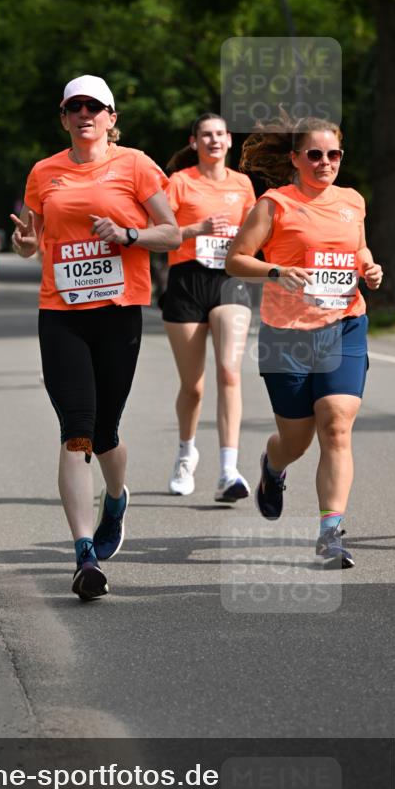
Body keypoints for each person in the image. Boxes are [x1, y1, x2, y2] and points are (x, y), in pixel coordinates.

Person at [11, 75, 180, 601]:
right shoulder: (44, 172)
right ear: (64, 117)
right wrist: (23, 243)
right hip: (61, 314)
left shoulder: (136, 165)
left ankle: (116, 497)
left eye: (94, 106)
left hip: (118, 313)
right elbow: (30, 241)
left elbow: (172, 233)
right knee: (76, 430)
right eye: (75, 107)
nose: (85, 114)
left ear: (111, 117)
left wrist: (128, 234)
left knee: (105, 432)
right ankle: (84, 554)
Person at [225, 116, 383, 567]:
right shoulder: (274, 205)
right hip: (287, 335)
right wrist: (276, 271)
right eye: (314, 154)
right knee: (295, 440)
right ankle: (273, 467)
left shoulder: (352, 201)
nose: (325, 162)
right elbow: (236, 260)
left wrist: (369, 267)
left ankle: (330, 533)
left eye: (333, 154)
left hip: (344, 324)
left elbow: (358, 248)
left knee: (336, 425)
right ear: (295, 158)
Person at [161, 114, 257, 502]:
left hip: (229, 281)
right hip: (186, 282)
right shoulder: (180, 182)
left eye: (220, 134)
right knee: (194, 387)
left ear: (230, 140)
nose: (214, 140)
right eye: (206, 135)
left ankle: (228, 471)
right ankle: (186, 454)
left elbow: (257, 234)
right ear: (194, 142)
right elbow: (162, 235)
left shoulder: (243, 184)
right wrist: (196, 229)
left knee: (229, 373)